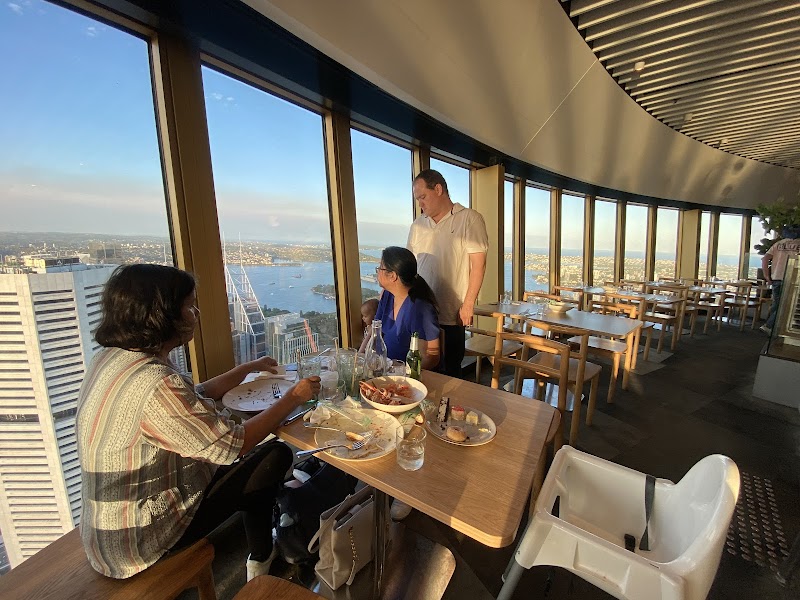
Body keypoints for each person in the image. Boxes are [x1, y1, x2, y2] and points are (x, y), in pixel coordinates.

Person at [76, 264, 321, 581]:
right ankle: (260, 556)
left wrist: (247, 368)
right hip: (141, 539)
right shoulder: (157, 384)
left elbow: (193, 397)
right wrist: (294, 397)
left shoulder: (113, 359)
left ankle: (261, 549)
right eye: (190, 306)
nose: (197, 312)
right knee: (273, 458)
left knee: (253, 463)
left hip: (106, 530)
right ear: (162, 315)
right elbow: (233, 445)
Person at [407, 169, 488, 377]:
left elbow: (478, 265)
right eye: (417, 199)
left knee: (450, 371)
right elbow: (409, 265)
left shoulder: (469, 219)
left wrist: (468, 304)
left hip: (452, 313)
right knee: (420, 368)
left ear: (438, 189)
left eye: (423, 197)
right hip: (421, 310)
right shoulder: (418, 225)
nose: (420, 204)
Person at [369, 246, 441, 370]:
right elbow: (374, 329)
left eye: (380, 268)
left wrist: (405, 375)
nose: (377, 272)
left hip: (405, 377)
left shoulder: (421, 309)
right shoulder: (387, 295)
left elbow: (431, 357)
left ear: (392, 276)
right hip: (384, 368)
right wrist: (360, 356)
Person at [760, 227, 800, 334]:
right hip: (793, 279)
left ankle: (772, 327)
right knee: (789, 306)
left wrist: (767, 276)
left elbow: (765, 259)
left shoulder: (778, 244)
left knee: (777, 303)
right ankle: (771, 326)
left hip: (776, 277)